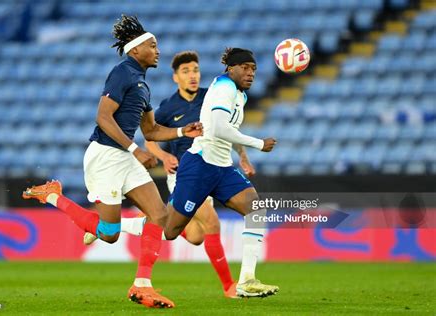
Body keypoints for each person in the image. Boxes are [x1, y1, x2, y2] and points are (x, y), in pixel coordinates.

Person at [22, 15, 202, 309]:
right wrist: (135, 149)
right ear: (135, 50)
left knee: (160, 216)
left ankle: (142, 285)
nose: (158, 50)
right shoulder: (122, 73)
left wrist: (183, 130)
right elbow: (103, 117)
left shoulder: (142, 84)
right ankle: (52, 195)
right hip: (106, 156)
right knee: (109, 234)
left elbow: (152, 131)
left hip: (125, 156)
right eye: (152, 45)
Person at [120, 51, 256, 298]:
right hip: (187, 172)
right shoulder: (167, 108)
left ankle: (124, 223)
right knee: (212, 221)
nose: (192, 76)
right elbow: (150, 136)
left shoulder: (212, 94)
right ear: (175, 78)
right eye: (186, 71)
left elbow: (228, 126)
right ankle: (229, 286)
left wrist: (243, 155)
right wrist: (164, 157)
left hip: (213, 170)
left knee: (195, 236)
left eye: (195, 70)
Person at [161, 47, 279, 297]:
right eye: (245, 68)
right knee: (170, 231)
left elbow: (229, 132)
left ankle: (247, 280)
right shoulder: (224, 87)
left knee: (256, 209)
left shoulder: (240, 95)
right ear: (231, 68)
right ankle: (112, 226)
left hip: (222, 168)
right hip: (199, 166)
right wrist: (258, 144)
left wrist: (242, 156)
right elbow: (218, 129)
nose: (251, 73)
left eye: (254, 69)